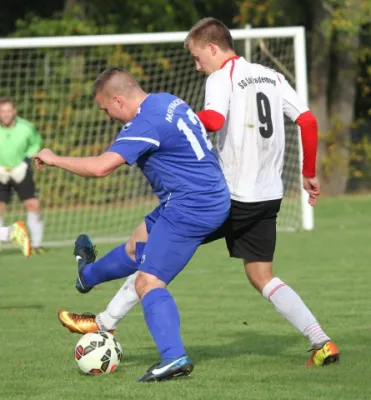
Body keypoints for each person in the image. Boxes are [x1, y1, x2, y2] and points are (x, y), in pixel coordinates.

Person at [58, 18, 340, 368]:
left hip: (228, 195)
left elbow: (214, 120)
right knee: (260, 276)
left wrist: (182, 122)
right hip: (269, 196)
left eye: (196, 56)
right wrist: (309, 173)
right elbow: (309, 122)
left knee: (151, 258)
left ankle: (103, 323)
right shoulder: (272, 75)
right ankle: (321, 341)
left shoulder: (222, 77)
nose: (196, 64)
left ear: (212, 47)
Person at [32, 66, 230, 382]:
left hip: (192, 206)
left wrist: (55, 158)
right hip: (197, 197)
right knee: (136, 244)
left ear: (120, 100)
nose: (108, 115)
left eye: (106, 108)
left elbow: (100, 168)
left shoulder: (144, 123)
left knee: (147, 281)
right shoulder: (167, 100)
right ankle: (87, 276)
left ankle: (174, 357)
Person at [0, 97, 45, 254]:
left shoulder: (26, 127)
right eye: (2, 111)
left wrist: (25, 163)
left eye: (8, 111)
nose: (5, 114)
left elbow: (35, 143)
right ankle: (9, 233)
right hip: (1, 172)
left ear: (14, 111)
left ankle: (37, 244)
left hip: (21, 170)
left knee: (33, 204)